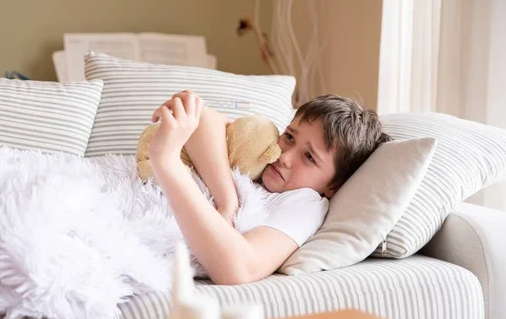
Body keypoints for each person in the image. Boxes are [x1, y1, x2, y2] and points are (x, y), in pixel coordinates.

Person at [149, 90, 390, 285]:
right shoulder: (259, 153)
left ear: (334, 185)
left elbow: (238, 268)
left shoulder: (304, 204)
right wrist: (227, 200)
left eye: (309, 157)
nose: (284, 157)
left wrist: (168, 161)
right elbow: (204, 118)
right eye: (290, 137)